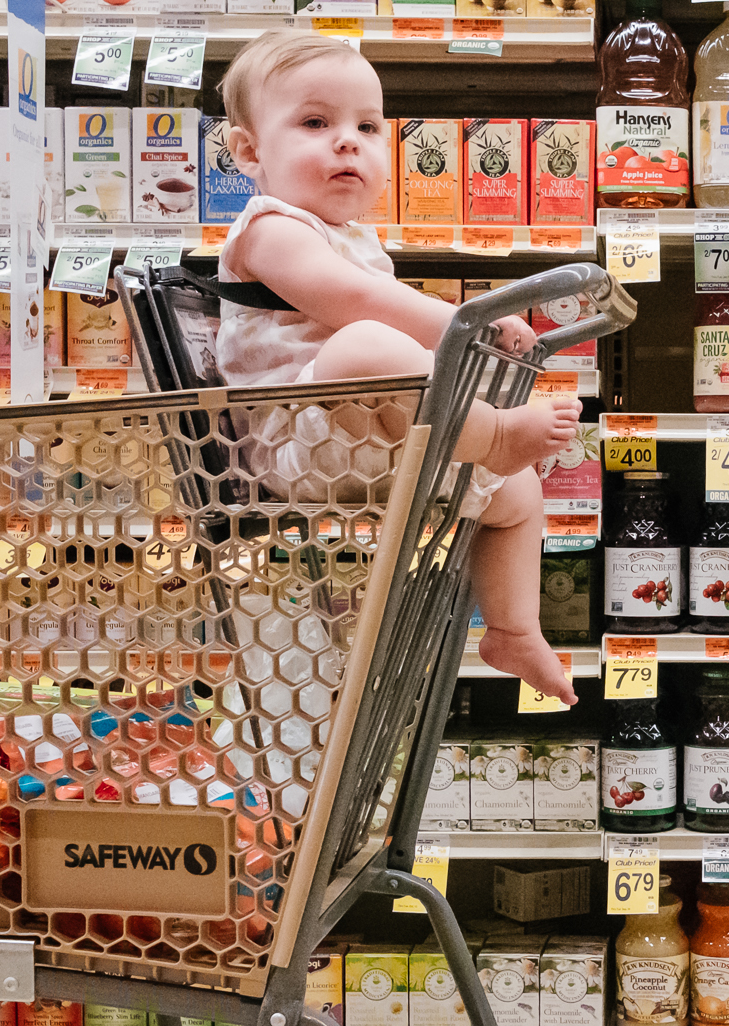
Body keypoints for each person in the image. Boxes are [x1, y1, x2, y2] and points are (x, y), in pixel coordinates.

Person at [215, 31, 581, 704]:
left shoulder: (356, 238)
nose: (347, 140)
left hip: (361, 435)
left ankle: (514, 627)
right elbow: (351, 300)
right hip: (293, 441)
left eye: (368, 126)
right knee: (364, 342)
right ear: (249, 152)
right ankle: (493, 435)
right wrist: (461, 324)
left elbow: (380, 306)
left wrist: (461, 321)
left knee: (519, 492)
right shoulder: (268, 228)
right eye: (315, 123)